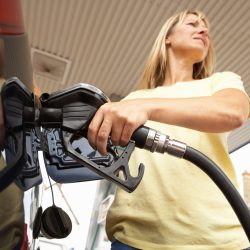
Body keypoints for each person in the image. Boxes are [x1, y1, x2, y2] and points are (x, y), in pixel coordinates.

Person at [88, 10, 250, 250]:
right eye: (193, 24)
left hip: (218, 240)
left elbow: (233, 112)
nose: (204, 30)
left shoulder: (219, 83)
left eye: (206, 28)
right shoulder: (134, 99)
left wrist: (147, 107)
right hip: (135, 238)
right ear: (168, 38)